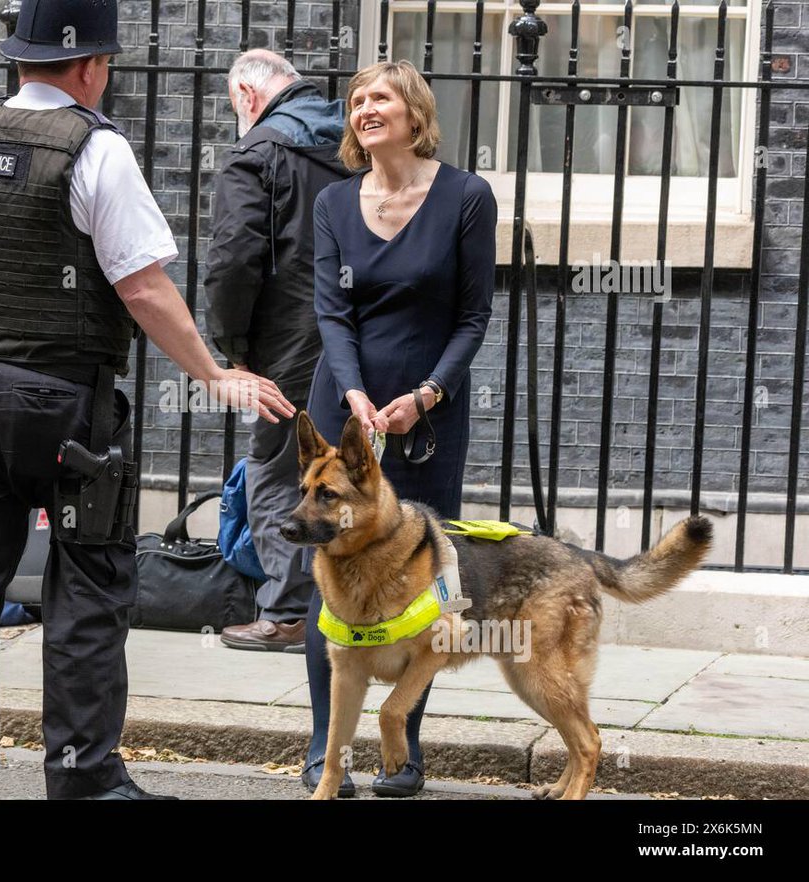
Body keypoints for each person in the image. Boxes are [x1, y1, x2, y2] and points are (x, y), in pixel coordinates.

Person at [0, 0, 293, 801]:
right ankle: (83, 782)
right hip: (62, 402)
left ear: (22, 59)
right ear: (90, 66)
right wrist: (214, 375)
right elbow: (145, 287)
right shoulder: (97, 150)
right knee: (84, 591)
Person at [302, 59, 497, 797]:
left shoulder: (466, 197)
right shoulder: (333, 203)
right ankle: (329, 752)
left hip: (425, 417)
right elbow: (332, 312)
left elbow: (475, 315)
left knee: (419, 584)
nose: (364, 108)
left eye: (379, 97)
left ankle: (401, 751)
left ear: (415, 112)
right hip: (343, 413)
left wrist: (427, 394)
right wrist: (352, 393)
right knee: (333, 579)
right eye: (356, 100)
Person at [205, 50, 351, 653]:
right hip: (359, 333)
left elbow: (233, 259)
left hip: (284, 338)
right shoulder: (355, 147)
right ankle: (343, 605)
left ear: (246, 92)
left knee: (275, 468)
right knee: (353, 467)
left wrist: (231, 346)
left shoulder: (257, 154)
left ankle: (288, 611)